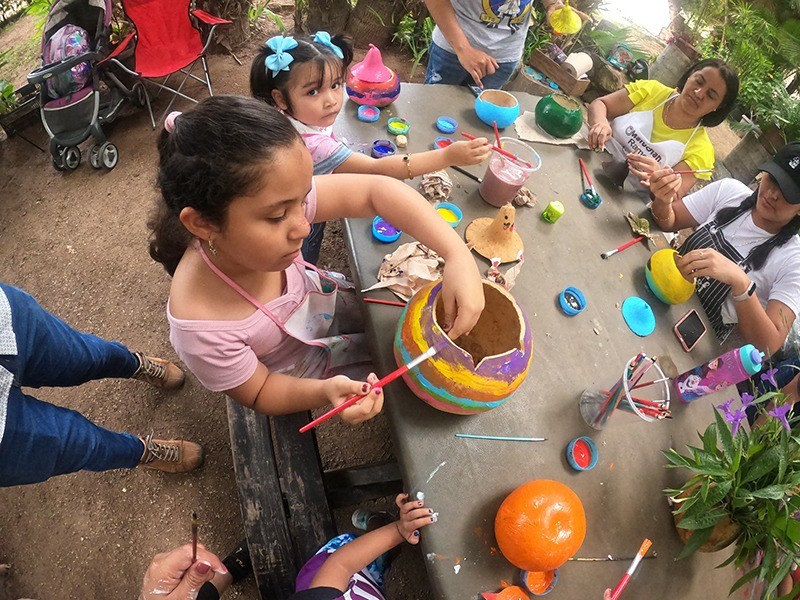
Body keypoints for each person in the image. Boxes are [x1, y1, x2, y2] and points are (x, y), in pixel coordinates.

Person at [148, 96, 485, 424]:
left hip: (328, 307)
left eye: (304, 198)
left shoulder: (274, 201)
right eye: (279, 215)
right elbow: (261, 390)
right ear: (203, 224)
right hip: (306, 374)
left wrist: (457, 256)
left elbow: (376, 191)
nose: (304, 224)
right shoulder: (203, 331)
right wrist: (325, 392)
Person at [250, 32, 492, 264]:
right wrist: (447, 155)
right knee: (304, 246)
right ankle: (307, 273)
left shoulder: (283, 115)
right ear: (280, 98)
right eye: (313, 91)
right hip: (301, 215)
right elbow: (378, 170)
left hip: (300, 199)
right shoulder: (313, 146)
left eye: (335, 85)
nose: (331, 100)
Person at [0, 282, 203, 487]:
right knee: (84, 444)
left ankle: (134, 365)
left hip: (4, 324)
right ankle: (144, 452)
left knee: (86, 357)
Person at [648, 141, 800, 356]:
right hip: (658, 288)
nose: (773, 194)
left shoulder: (793, 261)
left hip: (684, 343)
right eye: (773, 179)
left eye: (788, 193)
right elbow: (669, 222)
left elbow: (768, 347)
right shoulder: (729, 191)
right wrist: (662, 200)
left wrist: (741, 282)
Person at [588, 59, 739, 198]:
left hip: (624, 198)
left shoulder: (701, 151)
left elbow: (673, 197)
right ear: (689, 76)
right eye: (698, 81)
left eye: (711, 95)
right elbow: (601, 104)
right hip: (591, 159)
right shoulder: (652, 90)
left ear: (718, 107)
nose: (699, 93)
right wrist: (600, 123)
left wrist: (660, 181)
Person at [423, 0, 566, 89]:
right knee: (435, 112)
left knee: (479, 121)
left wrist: (553, 4)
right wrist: (464, 49)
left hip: (505, 57)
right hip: (453, 51)